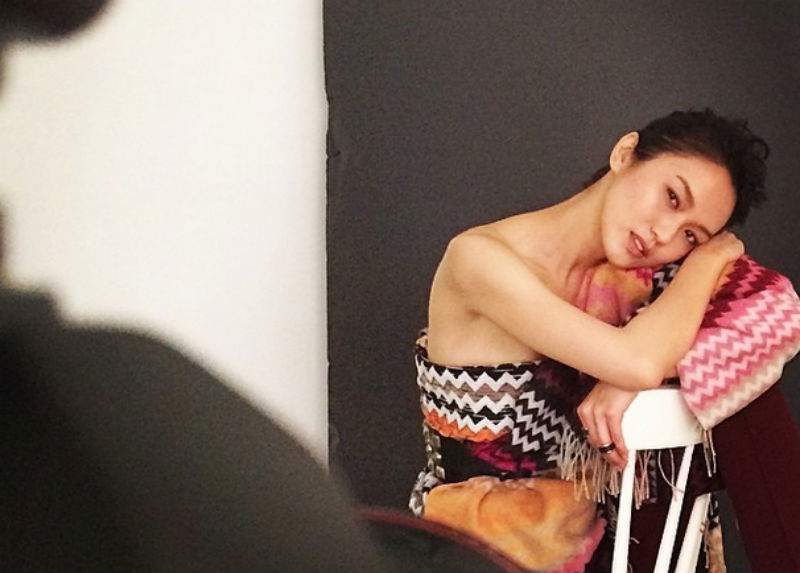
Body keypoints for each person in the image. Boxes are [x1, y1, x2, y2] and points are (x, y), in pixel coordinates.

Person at [409, 109, 791, 572]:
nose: (664, 235)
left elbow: (779, 307)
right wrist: (711, 257)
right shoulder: (478, 259)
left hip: (598, 547)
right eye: (671, 196)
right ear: (625, 153)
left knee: (752, 391)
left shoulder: (635, 278)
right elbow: (637, 361)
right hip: (480, 552)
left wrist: (627, 383)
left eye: (691, 235)